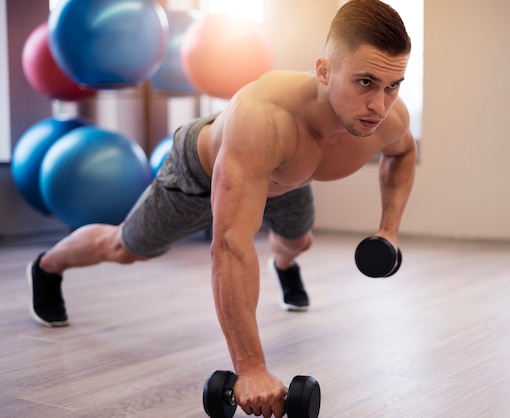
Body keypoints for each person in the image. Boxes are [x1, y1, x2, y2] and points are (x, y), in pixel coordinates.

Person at [27, 0, 416, 416]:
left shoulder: (388, 122)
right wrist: (250, 368)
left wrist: (388, 231)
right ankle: (48, 267)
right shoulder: (265, 119)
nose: (380, 104)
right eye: (365, 82)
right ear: (324, 71)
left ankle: (284, 266)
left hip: (285, 177)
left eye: (393, 85)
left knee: (298, 241)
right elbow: (230, 244)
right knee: (125, 248)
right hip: (201, 173)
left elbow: (402, 155)